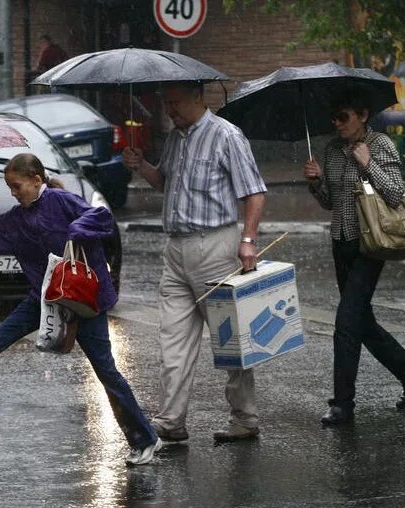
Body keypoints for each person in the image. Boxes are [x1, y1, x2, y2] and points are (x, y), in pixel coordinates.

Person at [0, 153, 163, 466]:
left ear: (36, 180)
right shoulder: (15, 219)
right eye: (10, 187)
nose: (13, 192)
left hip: (85, 298)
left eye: (17, 185)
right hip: (46, 297)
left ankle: (145, 439)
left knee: (106, 370)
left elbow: (102, 218)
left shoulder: (62, 201)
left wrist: (78, 228)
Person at [122, 81, 267, 443]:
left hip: (215, 246)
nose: (169, 110)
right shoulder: (176, 138)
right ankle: (171, 420)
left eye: (175, 103)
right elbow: (165, 184)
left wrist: (248, 240)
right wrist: (142, 166)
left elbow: (254, 192)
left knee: (229, 340)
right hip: (176, 249)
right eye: (166, 103)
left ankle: (245, 418)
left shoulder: (226, 135)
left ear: (198, 97)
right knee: (172, 337)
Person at [303, 86, 405, 425]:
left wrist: (368, 164)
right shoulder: (331, 151)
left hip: (370, 243)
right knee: (361, 320)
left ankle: (342, 404)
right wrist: (315, 183)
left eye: (343, 117)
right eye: (334, 118)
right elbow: (331, 202)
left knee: (346, 323)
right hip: (340, 242)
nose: (338, 124)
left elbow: (395, 194)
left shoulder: (380, 145)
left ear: (361, 116)